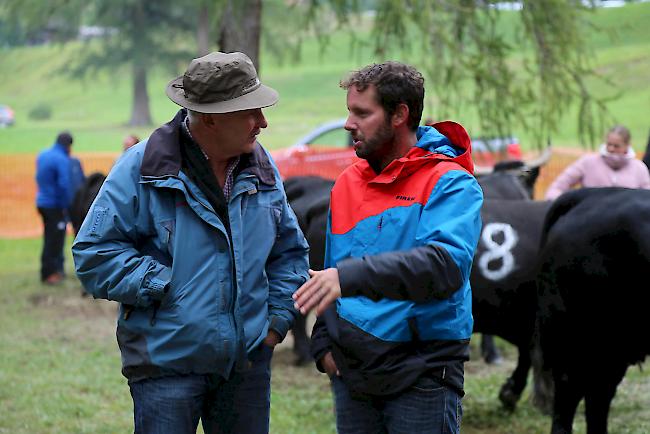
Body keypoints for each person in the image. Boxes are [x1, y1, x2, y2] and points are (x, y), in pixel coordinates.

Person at [72, 51, 309, 434]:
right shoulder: (140, 168)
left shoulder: (262, 169)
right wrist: (165, 285)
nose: (263, 123)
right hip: (167, 366)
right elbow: (94, 254)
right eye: (251, 112)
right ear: (212, 118)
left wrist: (276, 323)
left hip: (246, 366)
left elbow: (290, 254)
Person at [293, 61, 483, 433]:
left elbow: (443, 267)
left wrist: (347, 277)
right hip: (352, 376)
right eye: (349, 111)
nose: (349, 123)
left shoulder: (450, 183)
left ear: (400, 114)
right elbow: (331, 270)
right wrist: (324, 347)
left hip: (422, 375)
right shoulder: (348, 181)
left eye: (362, 113)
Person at [545, 125, 650, 200]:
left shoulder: (639, 169)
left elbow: (647, 198)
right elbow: (557, 188)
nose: (611, 149)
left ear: (627, 146)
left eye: (616, 146)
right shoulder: (588, 162)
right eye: (609, 144)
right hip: (590, 221)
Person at [35, 131, 77, 285]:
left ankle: (48, 271)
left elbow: (39, 177)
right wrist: (67, 206)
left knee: (48, 237)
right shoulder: (61, 159)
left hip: (41, 202)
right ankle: (51, 274)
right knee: (55, 240)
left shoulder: (43, 154)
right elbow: (64, 184)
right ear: (68, 146)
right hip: (54, 205)